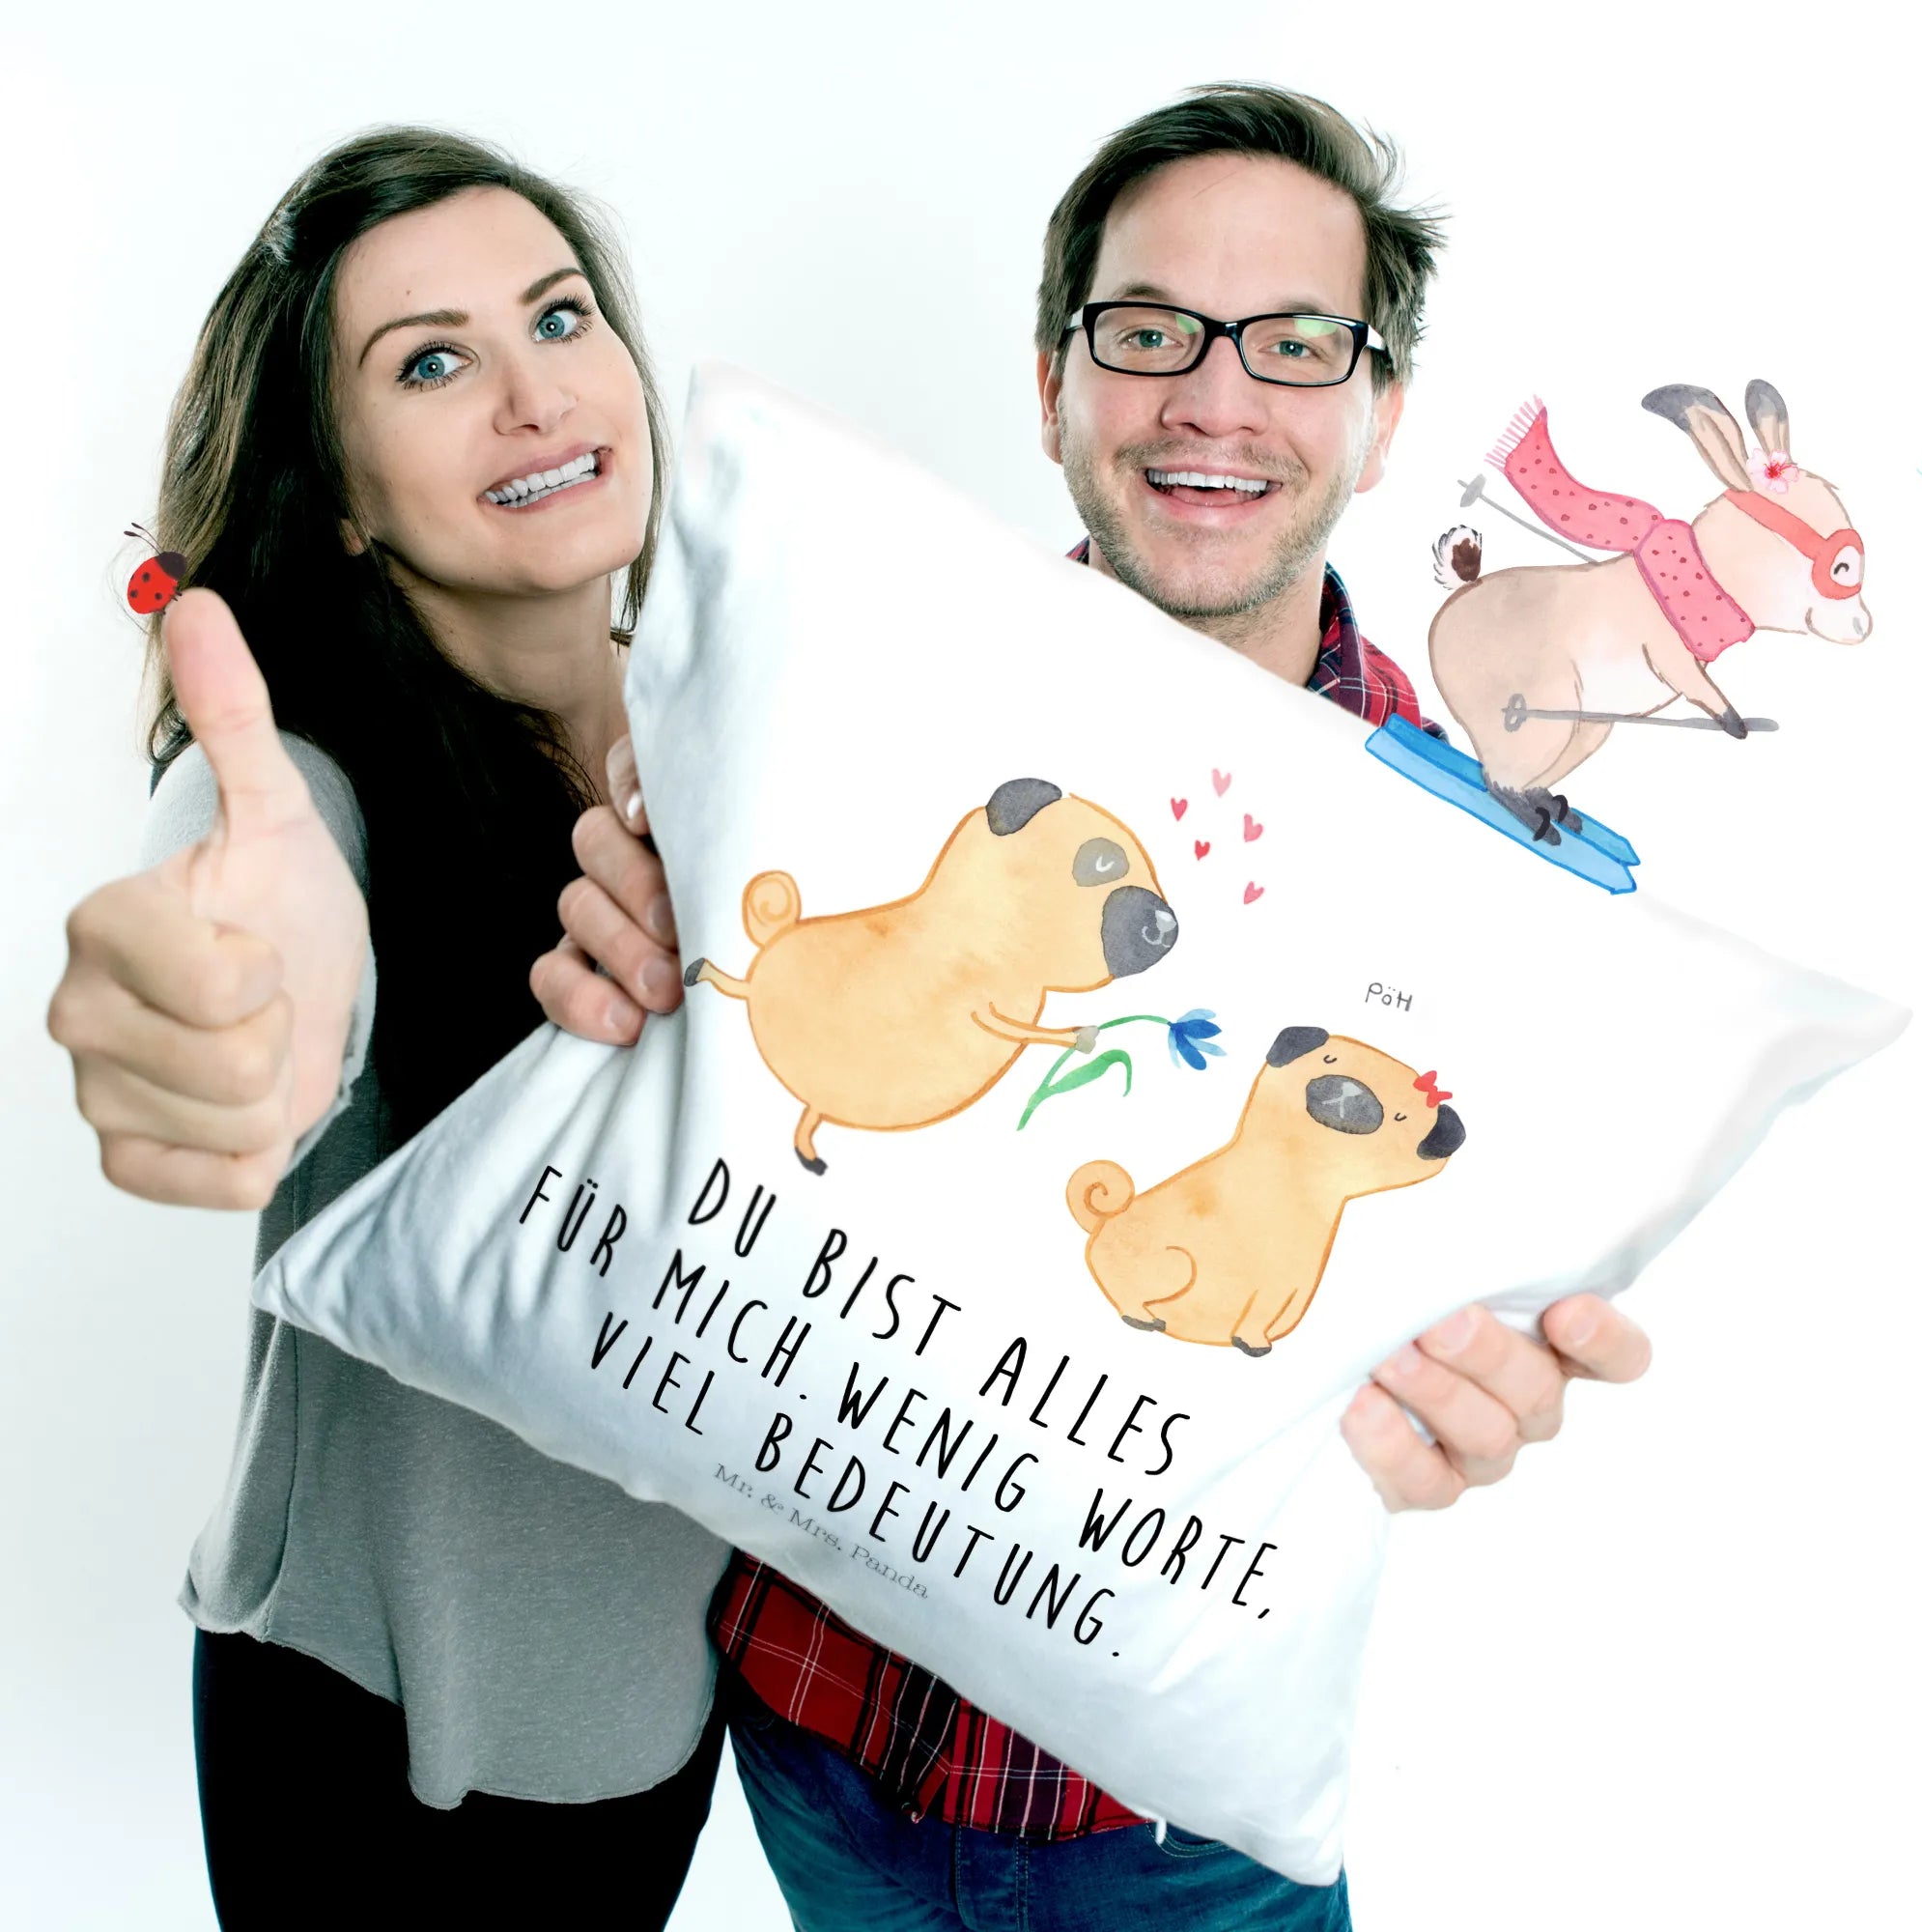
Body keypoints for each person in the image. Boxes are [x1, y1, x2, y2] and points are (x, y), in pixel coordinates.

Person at [535, 84, 1653, 1930]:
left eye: (1296, 343)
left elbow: (1438, 1294)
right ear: (1054, 383)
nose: (1216, 398)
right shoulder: (836, 706)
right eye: (1150, 333)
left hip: (1182, 1830)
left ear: (1380, 418)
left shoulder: (1476, 883)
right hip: (808, 1743)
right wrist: (626, 977)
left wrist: (1476, 1381)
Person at [45, 130, 721, 1928]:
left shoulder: (731, 745)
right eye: (430, 363)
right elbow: (250, 897)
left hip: (662, 1712)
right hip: (379, 1743)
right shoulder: (308, 783)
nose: (532, 395)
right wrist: (221, 998)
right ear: (341, 496)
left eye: (558, 318)